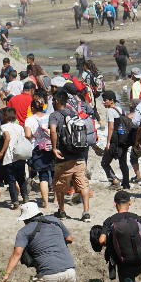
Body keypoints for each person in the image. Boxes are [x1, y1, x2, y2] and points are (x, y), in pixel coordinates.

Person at [49, 91, 91, 221]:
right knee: (83, 184)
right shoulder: (74, 114)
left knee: (60, 184)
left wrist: (54, 148)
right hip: (79, 155)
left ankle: (62, 211)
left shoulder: (54, 115)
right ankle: (86, 213)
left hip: (63, 156)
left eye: (53, 101)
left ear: (56, 101)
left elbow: (53, 130)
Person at [0, 106, 28, 210]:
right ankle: (25, 198)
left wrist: (1, 152)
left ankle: (15, 202)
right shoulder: (20, 127)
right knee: (21, 179)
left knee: (12, 180)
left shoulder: (4, 127)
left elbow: (7, 138)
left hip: (10, 157)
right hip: (20, 155)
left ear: (5, 117)